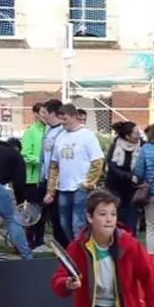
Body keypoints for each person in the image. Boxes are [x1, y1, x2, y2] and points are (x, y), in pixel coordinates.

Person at [46, 106, 103, 247]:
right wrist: (51, 191)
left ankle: (83, 252)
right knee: (64, 223)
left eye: (65, 119)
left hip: (80, 187)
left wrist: (88, 183)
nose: (63, 123)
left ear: (73, 116)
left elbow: (98, 161)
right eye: (61, 119)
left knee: (78, 224)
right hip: (64, 187)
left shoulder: (87, 135)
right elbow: (54, 165)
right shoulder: (61, 136)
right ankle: (76, 248)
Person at [19, 101, 56, 249]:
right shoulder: (30, 132)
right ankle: (29, 240)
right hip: (32, 179)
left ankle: (39, 240)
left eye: (45, 113)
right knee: (33, 211)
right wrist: (39, 161)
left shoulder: (48, 131)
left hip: (45, 178)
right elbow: (25, 154)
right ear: (35, 114)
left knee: (44, 212)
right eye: (41, 112)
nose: (44, 116)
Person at [104, 121, 143, 231]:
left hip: (132, 189)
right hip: (115, 187)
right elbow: (112, 167)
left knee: (131, 220)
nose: (138, 135)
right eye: (135, 133)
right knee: (117, 219)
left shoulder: (142, 146)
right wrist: (128, 176)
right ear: (127, 136)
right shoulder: (115, 146)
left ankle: (131, 243)